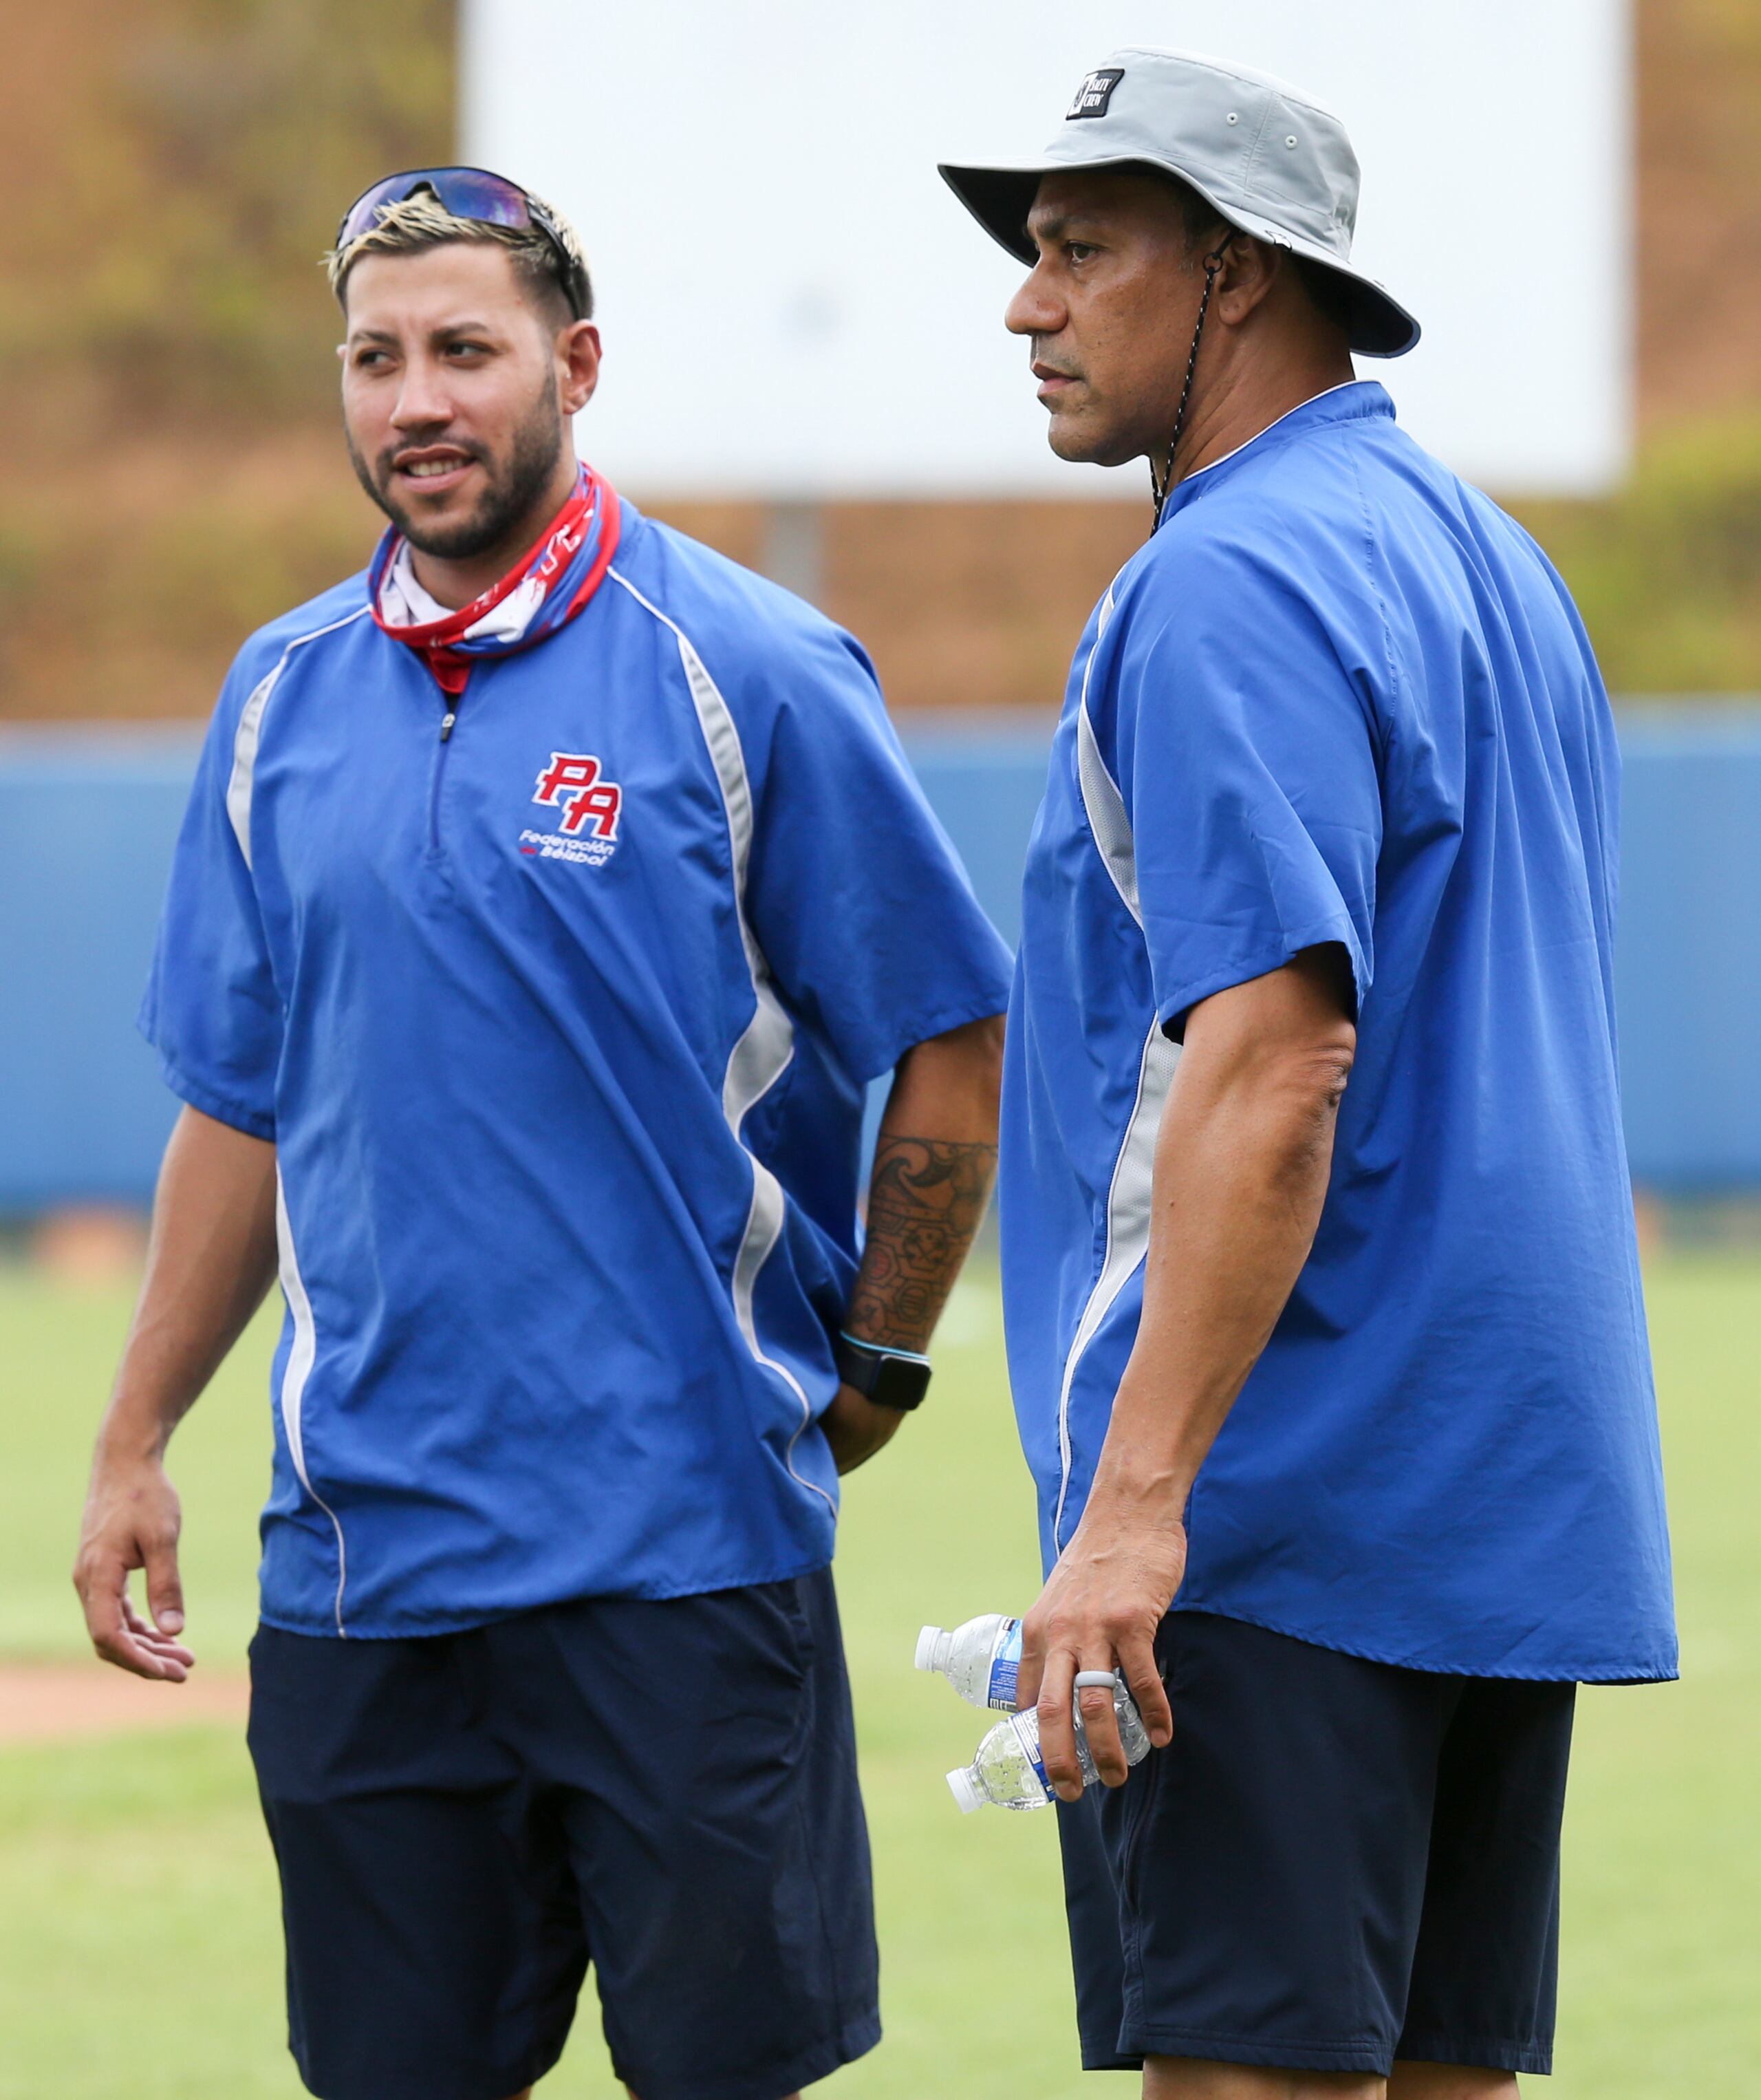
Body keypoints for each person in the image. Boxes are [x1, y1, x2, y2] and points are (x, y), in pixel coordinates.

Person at [74, 167, 1012, 2100]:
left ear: (572, 369)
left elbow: (951, 1034)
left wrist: (887, 1360)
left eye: (465, 351)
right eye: (376, 358)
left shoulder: (744, 666)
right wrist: (133, 1437)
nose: (417, 399)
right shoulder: (275, 700)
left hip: (682, 1558)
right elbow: (241, 1108)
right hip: (369, 1572)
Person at [940, 47, 1676, 2100]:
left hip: (1284, 1498)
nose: (1029, 301)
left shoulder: (1225, 579)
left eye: (1083, 250)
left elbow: (1277, 1065)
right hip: (1498, 1489)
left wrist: (1133, 1514)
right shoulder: (1492, 559)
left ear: (1240, 272)